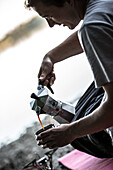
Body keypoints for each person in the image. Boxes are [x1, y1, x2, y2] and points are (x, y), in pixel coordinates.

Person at [24, 0, 113, 157]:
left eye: (49, 15)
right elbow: (96, 28)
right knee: (87, 103)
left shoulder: (91, 27)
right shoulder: (103, 5)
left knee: (84, 136)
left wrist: (69, 133)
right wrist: (50, 57)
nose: (51, 24)